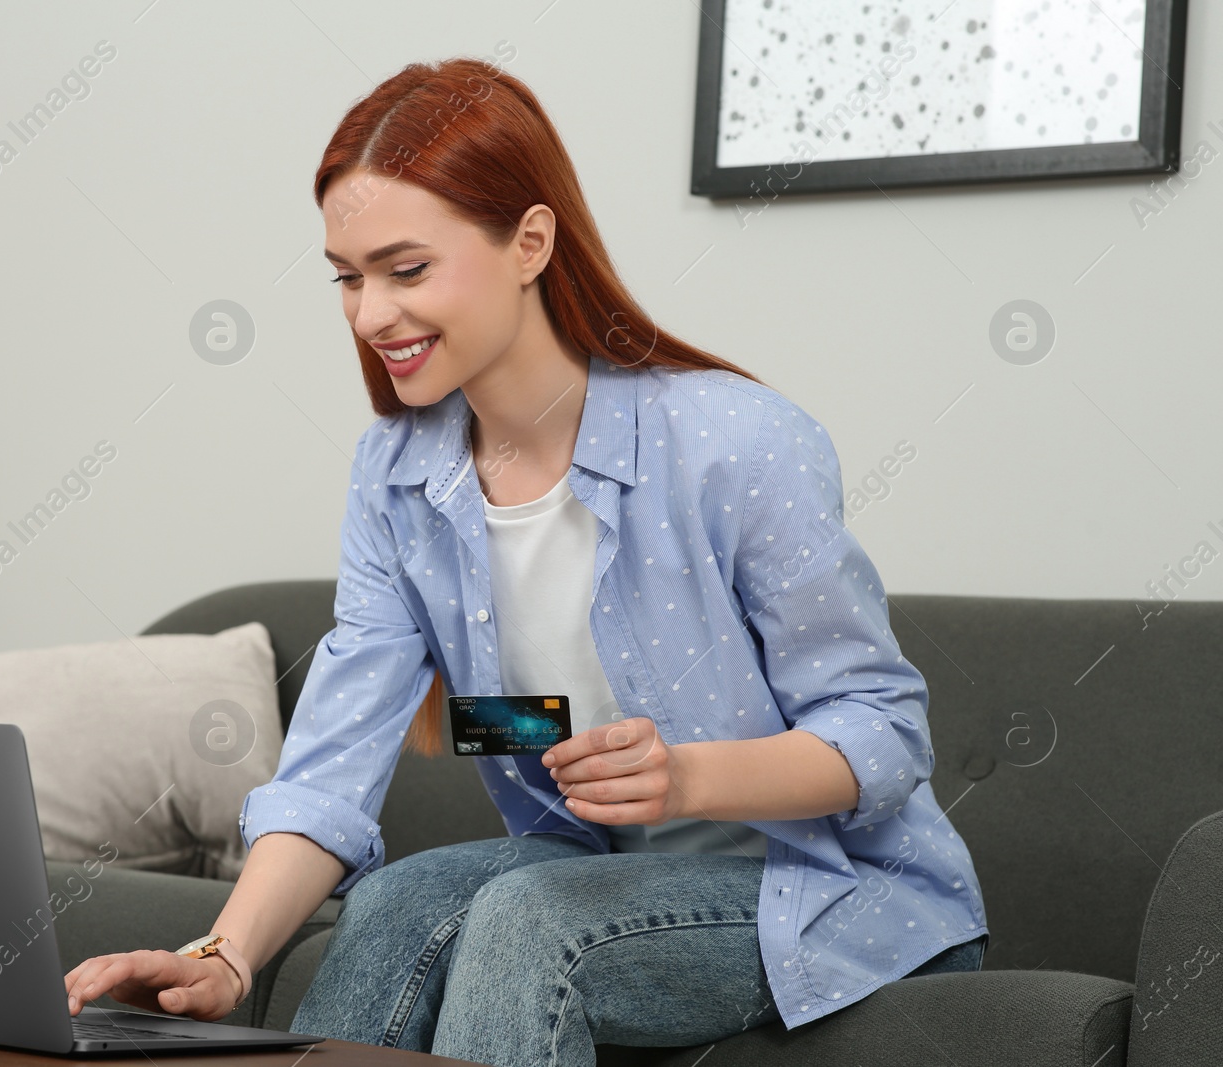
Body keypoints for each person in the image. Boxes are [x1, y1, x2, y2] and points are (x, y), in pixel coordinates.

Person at [62, 55, 988, 1067]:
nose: (370, 315)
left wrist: (682, 777)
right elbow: (333, 761)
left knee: (526, 919)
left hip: (825, 888)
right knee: (390, 901)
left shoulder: (734, 440)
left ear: (529, 243)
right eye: (347, 275)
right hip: (597, 867)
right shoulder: (398, 476)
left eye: (406, 269)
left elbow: (884, 735)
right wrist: (226, 954)